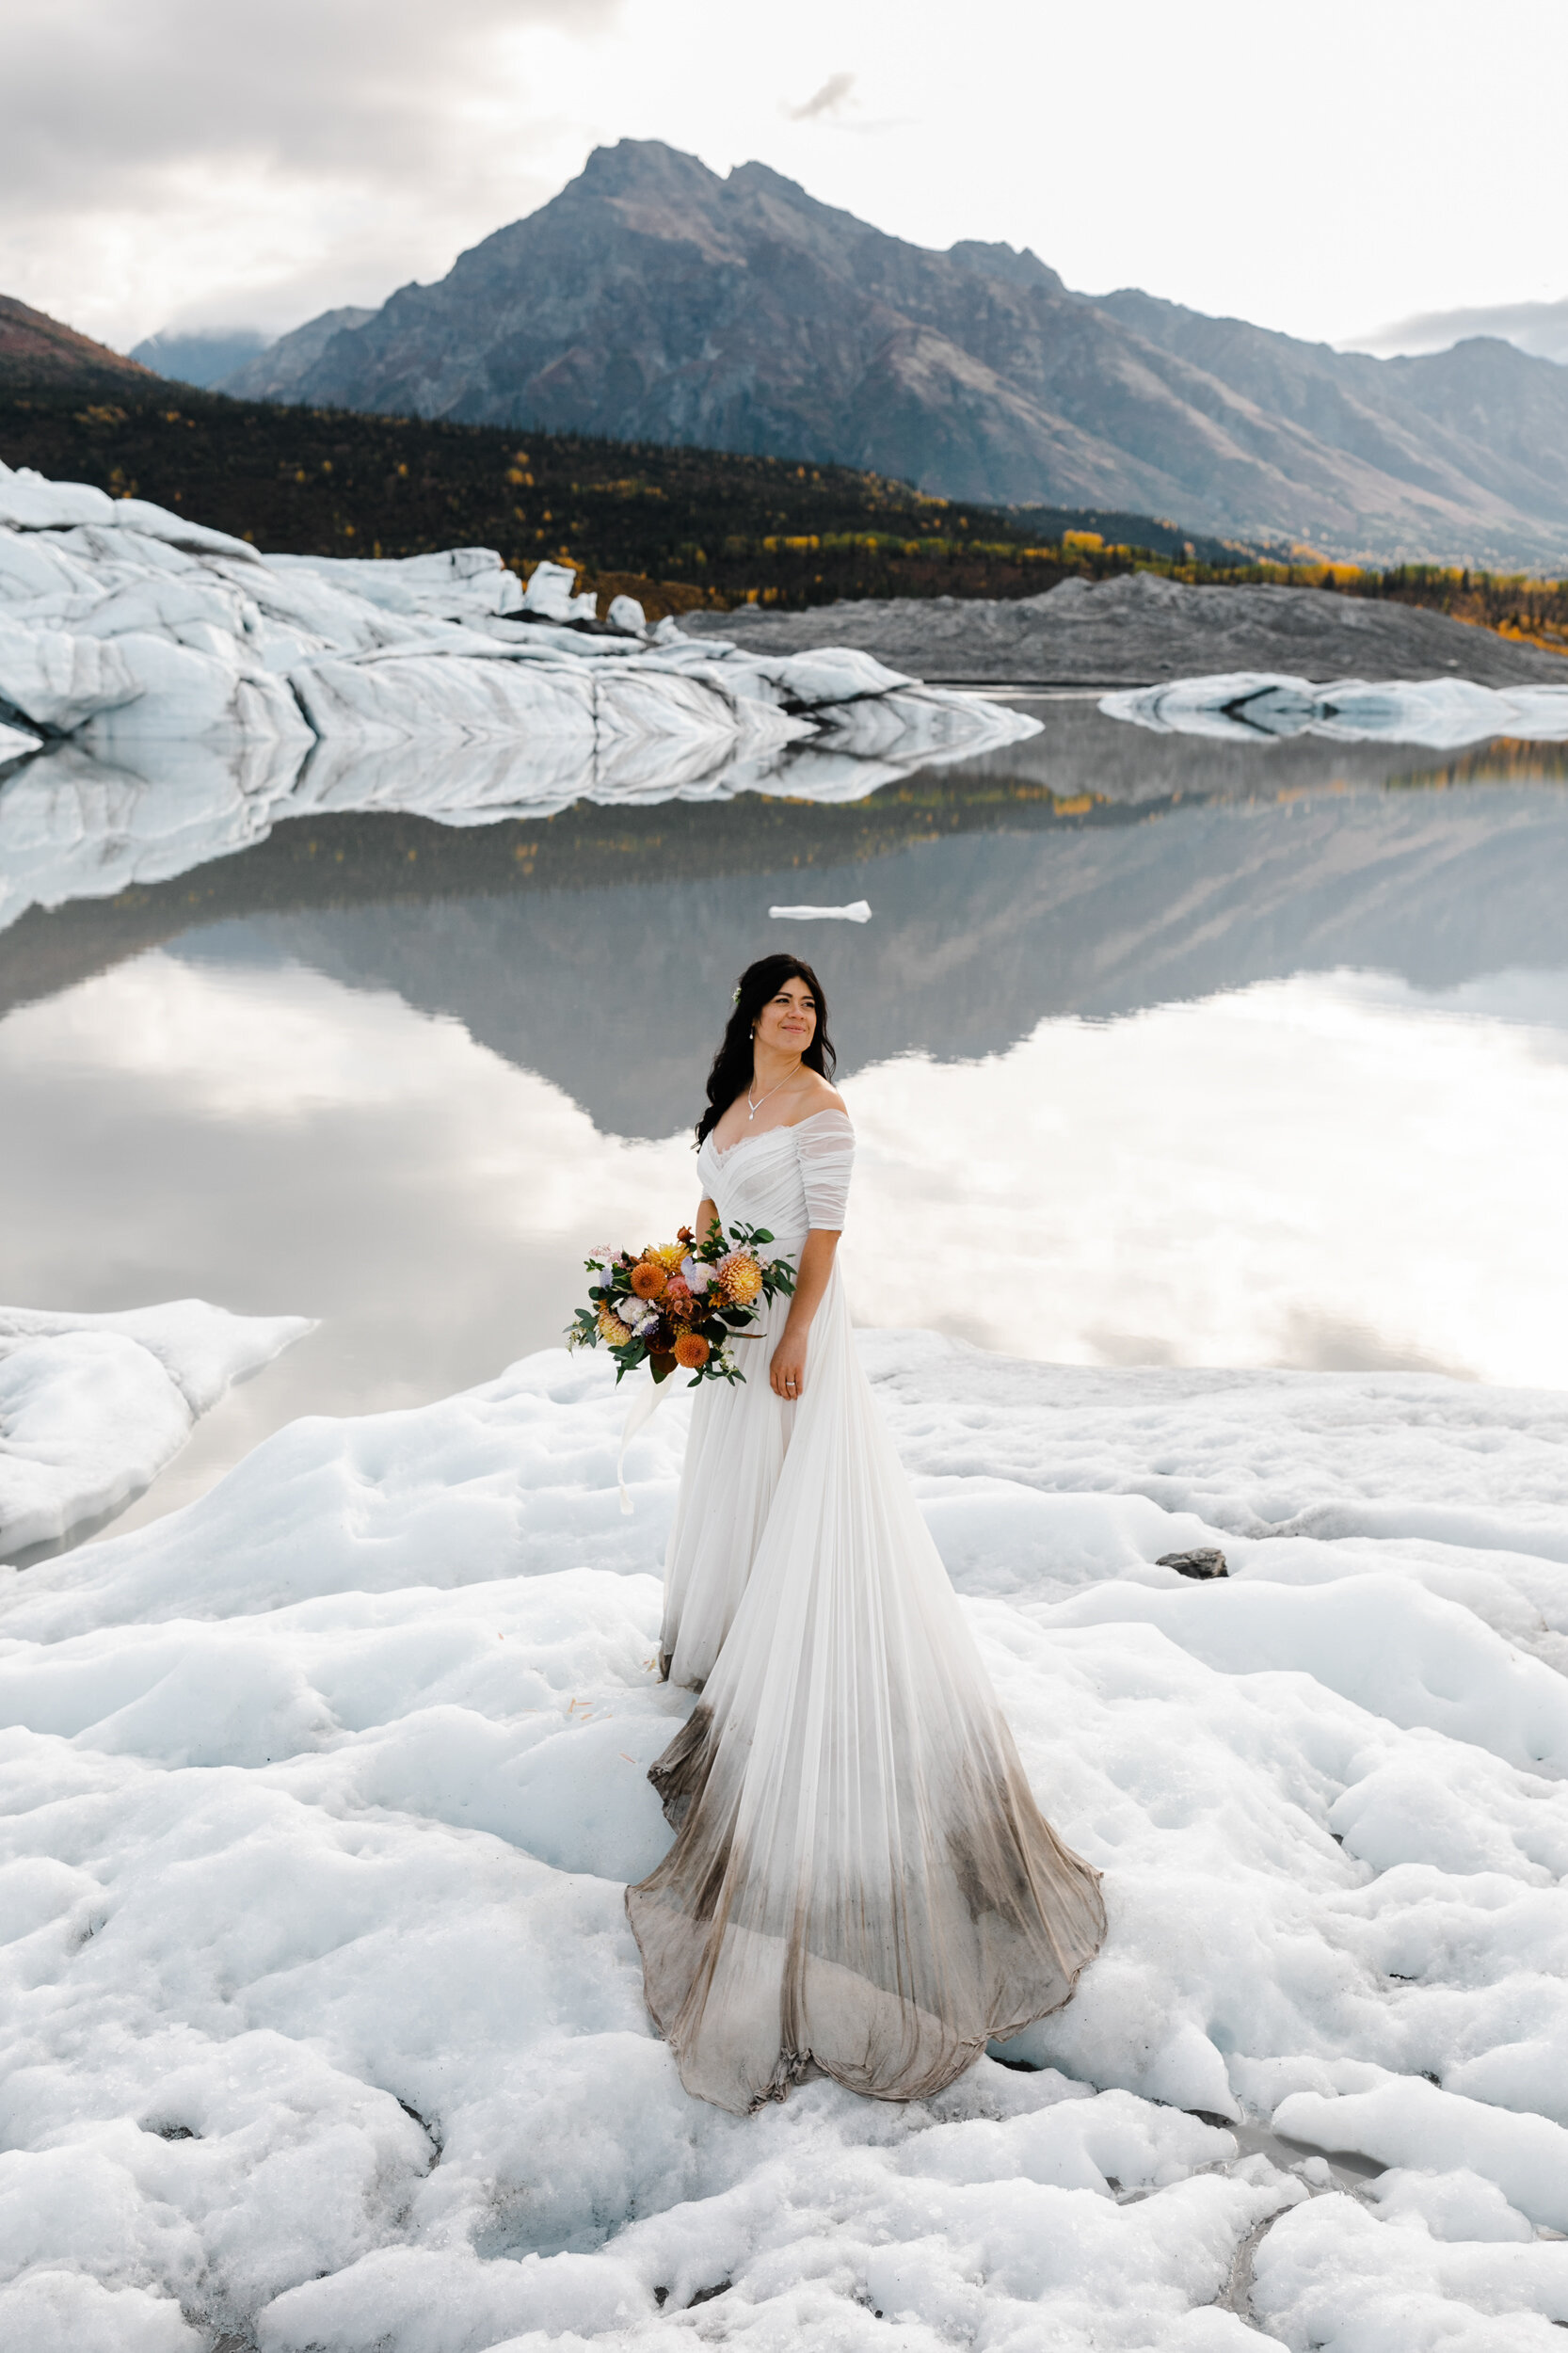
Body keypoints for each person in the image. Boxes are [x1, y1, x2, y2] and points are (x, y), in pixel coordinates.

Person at [626, 953, 1105, 2113]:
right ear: (748, 1015)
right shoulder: (733, 1103)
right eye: (779, 1000)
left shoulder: (824, 1110)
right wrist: (680, 1296)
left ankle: (801, 1658)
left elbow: (825, 1237)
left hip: (790, 1324)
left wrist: (790, 1333)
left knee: (803, 1492)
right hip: (732, 1320)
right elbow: (710, 1209)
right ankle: (733, 1645)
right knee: (735, 1488)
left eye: (810, 1004)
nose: (796, 1014)